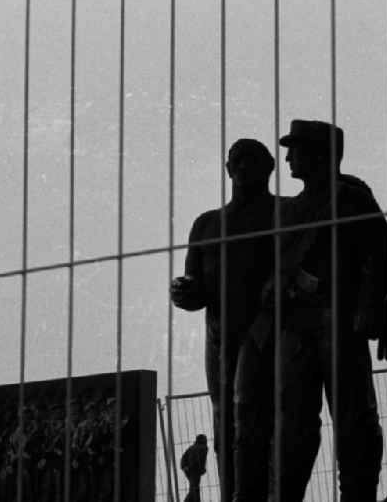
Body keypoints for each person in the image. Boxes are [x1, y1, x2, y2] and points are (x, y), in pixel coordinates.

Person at [237, 119, 387, 501]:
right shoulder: (287, 211)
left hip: (338, 321)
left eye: (296, 149)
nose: (288, 157)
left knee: (354, 419)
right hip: (294, 328)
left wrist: (370, 308)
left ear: (321, 154)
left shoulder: (350, 198)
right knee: (292, 427)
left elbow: (382, 255)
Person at [170, 138, 277, 501]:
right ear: (228, 169)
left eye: (252, 161)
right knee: (224, 424)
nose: (244, 168)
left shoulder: (283, 214)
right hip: (220, 338)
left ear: (269, 168)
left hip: (268, 335)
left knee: (264, 423)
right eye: (238, 161)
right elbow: (195, 284)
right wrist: (184, 292)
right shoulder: (206, 225)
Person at [180, 434, 209, 502]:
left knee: (193, 487)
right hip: (194, 469)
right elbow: (199, 460)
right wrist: (201, 469)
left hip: (189, 469)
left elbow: (184, 458)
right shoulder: (202, 448)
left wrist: (185, 467)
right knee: (194, 488)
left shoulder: (192, 447)